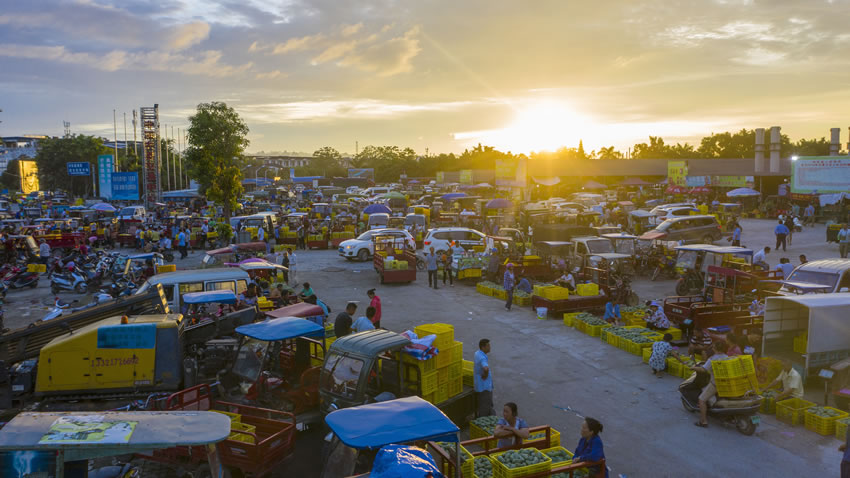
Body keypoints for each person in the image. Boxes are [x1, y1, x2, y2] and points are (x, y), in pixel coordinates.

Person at [694, 341, 729, 428]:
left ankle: (703, 421)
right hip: (727, 383)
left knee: (701, 400)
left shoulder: (712, 359)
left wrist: (693, 368)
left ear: (714, 348)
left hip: (716, 384)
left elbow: (703, 370)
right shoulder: (727, 357)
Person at [474, 339, 494, 418]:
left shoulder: (477, 353)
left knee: (483, 404)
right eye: (488, 346)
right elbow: (486, 368)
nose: (490, 347)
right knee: (485, 406)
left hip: (479, 385)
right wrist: (485, 375)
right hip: (484, 387)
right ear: (483, 347)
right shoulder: (482, 358)